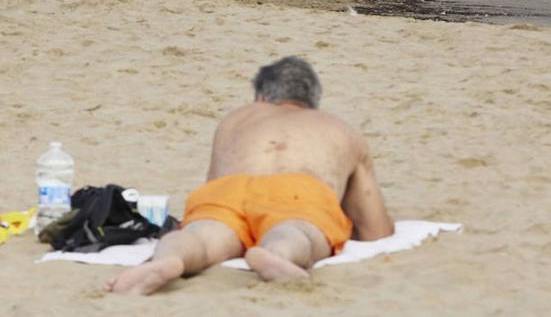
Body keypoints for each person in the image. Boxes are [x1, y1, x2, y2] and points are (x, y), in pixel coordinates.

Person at [108, 56, 393, 295]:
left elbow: (213, 181)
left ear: (261, 96)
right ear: (313, 100)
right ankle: (277, 254)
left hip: (229, 190)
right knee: (294, 231)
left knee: (202, 235)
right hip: (299, 191)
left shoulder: (237, 118)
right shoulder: (338, 127)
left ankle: (170, 258)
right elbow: (375, 231)